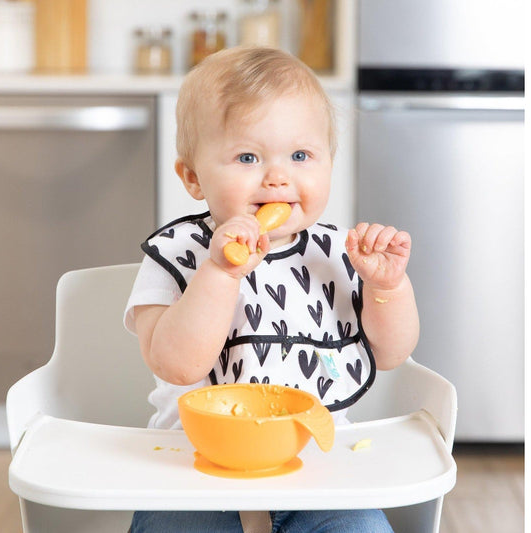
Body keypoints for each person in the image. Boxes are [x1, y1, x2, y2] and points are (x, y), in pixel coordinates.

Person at [124, 46, 419, 533]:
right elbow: (176, 364)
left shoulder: (336, 253)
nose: (278, 176)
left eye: (300, 155)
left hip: (318, 461)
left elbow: (391, 352)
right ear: (193, 177)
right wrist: (220, 272)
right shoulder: (176, 254)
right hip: (193, 469)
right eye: (247, 157)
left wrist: (387, 285)